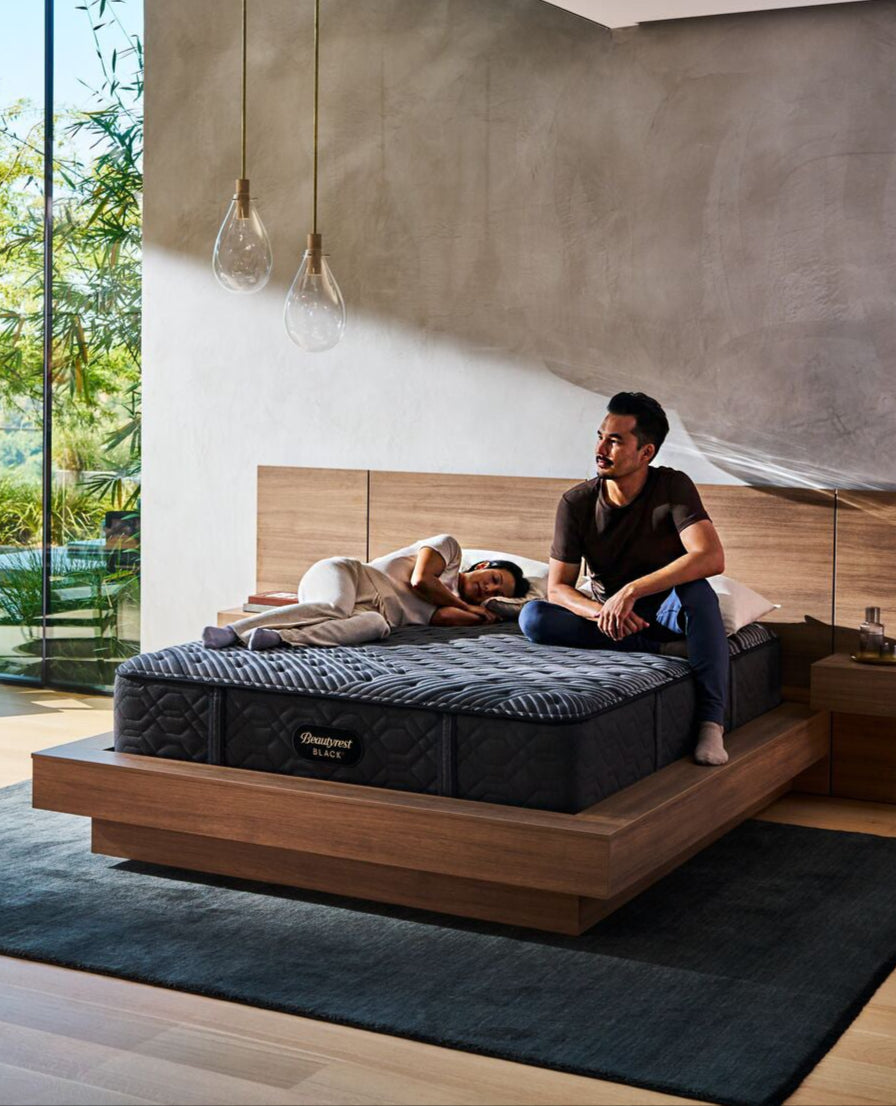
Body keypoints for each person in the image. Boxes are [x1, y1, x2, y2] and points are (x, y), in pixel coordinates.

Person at [519, 392, 730, 767]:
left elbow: (710, 557)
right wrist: (602, 610)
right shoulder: (576, 503)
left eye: (614, 441)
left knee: (699, 595)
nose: (600, 448)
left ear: (646, 452)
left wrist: (631, 591)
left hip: (663, 607)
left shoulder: (672, 487)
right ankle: (658, 650)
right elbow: (558, 587)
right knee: (532, 617)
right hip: (607, 620)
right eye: (600, 436)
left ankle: (711, 723)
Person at [202, 534, 530, 651]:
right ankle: (233, 631)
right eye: (494, 578)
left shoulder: (455, 608)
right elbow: (420, 581)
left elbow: (446, 618)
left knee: (376, 626)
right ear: (484, 564)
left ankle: (278, 638)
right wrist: (468, 605)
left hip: (370, 611)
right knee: (334, 607)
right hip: (346, 575)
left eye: (493, 591)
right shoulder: (450, 552)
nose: (488, 587)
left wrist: (482, 613)